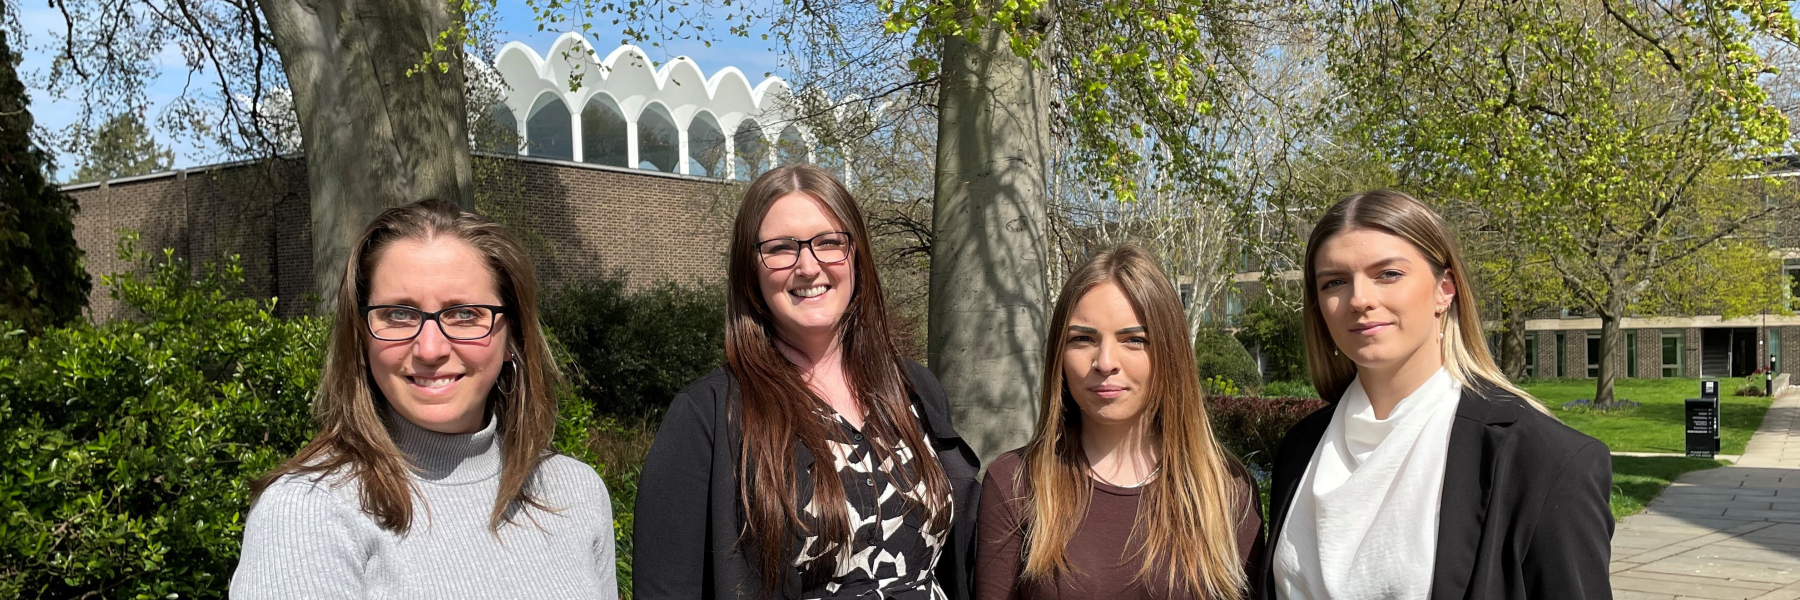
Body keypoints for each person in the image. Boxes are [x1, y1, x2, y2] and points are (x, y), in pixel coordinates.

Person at [231, 200, 617, 599]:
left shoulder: (576, 493)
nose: (430, 349)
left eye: (465, 314)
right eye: (398, 315)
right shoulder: (305, 512)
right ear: (361, 337)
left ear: (512, 339)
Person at [633, 165, 982, 600]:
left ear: (855, 256)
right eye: (781, 249)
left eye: (828, 242)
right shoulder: (708, 416)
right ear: (751, 271)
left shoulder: (913, 389)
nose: (807, 266)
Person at [1265, 190, 1612, 599]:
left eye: (1388, 274)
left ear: (1444, 290)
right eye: (1335, 282)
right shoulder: (1301, 448)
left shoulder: (1542, 460)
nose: (1359, 299)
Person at [977, 245, 1264, 600]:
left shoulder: (1227, 491)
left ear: (1169, 352)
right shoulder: (1016, 483)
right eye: (1083, 339)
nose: (1105, 362)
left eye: (1133, 340)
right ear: (1059, 355)